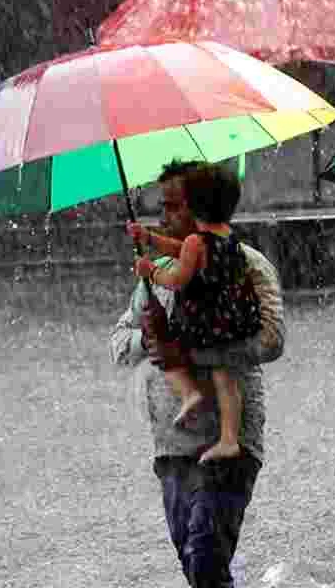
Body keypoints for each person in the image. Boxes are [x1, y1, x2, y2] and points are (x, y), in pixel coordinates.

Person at [109, 159, 284, 587]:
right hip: (172, 442)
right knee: (194, 559)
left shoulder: (245, 264)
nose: (164, 217)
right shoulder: (156, 275)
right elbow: (119, 341)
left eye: (174, 206)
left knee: (205, 555)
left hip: (229, 438)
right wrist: (148, 340)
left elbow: (272, 340)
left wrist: (194, 351)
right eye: (161, 207)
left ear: (201, 207)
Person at [129, 163, 263, 465]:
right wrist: (150, 238)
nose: (166, 214)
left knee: (168, 351)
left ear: (194, 205)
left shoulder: (195, 243)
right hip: (231, 324)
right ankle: (229, 437)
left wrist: (151, 271)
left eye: (179, 203)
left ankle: (191, 396)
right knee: (226, 379)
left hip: (205, 328)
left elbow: (178, 277)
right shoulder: (228, 237)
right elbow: (181, 249)